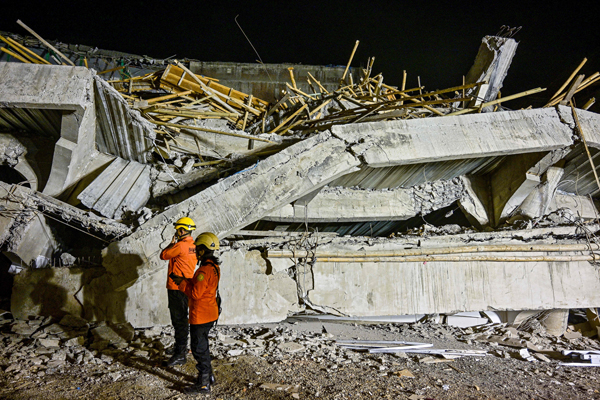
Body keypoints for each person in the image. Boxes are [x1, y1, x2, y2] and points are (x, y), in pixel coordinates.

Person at [171, 232, 220, 394]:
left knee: (198, 348)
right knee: (203, 345)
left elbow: (195, 294)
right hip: (210, 313)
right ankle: (209, 376)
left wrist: (182, 285)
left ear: (202, 250)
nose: (196, 252)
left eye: (197, 249)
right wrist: (183, 280)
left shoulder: (203, 271)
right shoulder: (213, 267)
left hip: (201, 315)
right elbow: (203, 286)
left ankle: (204, 384)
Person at [159, 216, 198, 367]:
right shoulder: (194, 245)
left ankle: (180, 354)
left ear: (182, 230)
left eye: (177, 229)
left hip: (176, 288)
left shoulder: (180, 246)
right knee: (182, 318)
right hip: (186, 286)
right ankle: (180, 348)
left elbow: (163, 255)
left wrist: (172, 242)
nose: (176, 231)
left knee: (179, 320)